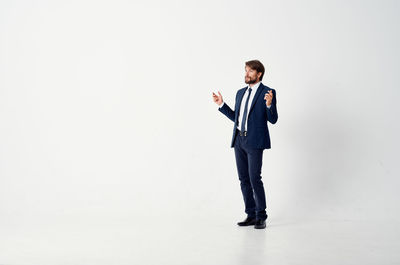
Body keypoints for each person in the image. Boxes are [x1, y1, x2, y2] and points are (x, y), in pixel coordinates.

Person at [212, 60, 278, 229]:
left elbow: (273, 119)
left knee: (255, 178)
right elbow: (236, 117)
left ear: (259, 74)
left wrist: (269, 104)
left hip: (255, 141)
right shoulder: (240, 93)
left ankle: (261, 216)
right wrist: (221, 104)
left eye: (250, 71)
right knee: (244, 179)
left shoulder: (267, 92)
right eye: (246, 70)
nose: (246, 74)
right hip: (239, 140)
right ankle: (250, 214)